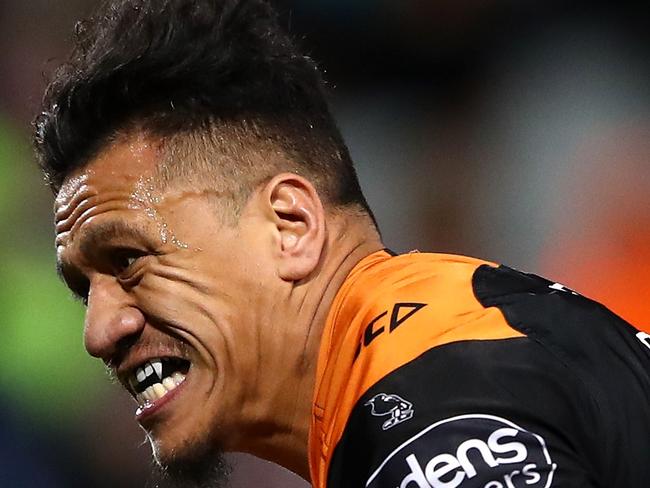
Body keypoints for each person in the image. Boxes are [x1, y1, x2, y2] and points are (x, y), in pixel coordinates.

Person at [34, 1, 650, 487]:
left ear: (291, 227)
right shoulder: (448, 339)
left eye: (130, 260)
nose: (98, 330)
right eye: (85, 287)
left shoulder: (430, 406)